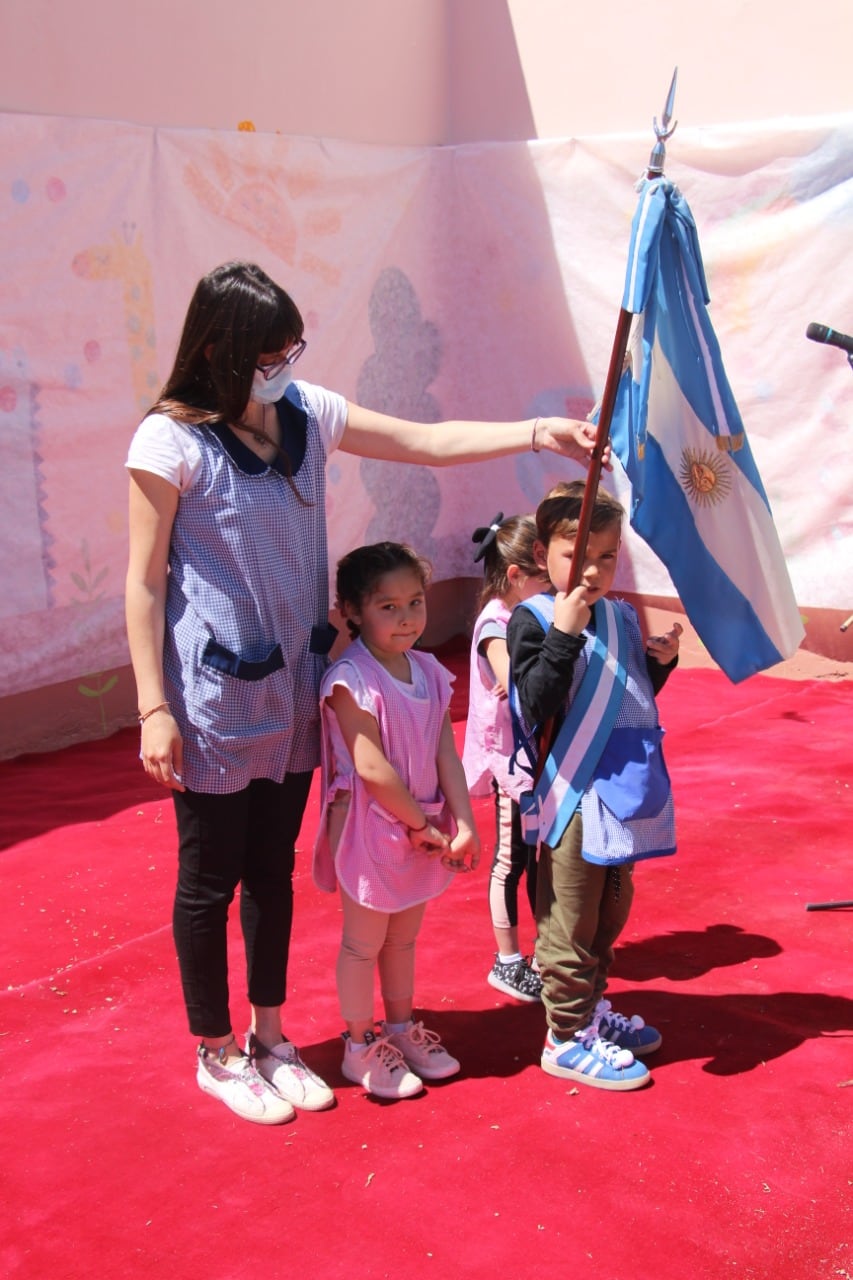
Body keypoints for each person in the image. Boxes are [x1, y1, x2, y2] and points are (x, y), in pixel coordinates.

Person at [124, 260, 602, 1125]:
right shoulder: (169, 440)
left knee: (271, 869)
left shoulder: (308, 414)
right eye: (270, 350)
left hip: (295, 686)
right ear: (225, 348)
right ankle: (216, 1049)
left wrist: (537, 432)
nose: (283, 364)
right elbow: (146, 583)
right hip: (212, 705)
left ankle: (272, 1037)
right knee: (211, 878)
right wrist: (154, 707)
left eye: (290, 347)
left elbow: (424, 439)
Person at [506, 480, 682, 1091]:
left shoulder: (623, 616)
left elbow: (624, 700)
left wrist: (657, 662)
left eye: (607, 556)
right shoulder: (531, 619)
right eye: (577, 553)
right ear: (541, 556)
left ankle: (591, 1010)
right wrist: (563, 633)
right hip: (574, 789)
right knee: (570, 916)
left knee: (610, 911)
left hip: (624, 788)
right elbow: (535, 704)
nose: (593, 568)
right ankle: (564, 1036)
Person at [313, 542, 479, 1099]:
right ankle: (359, 1045)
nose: (406, 617)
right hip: (371, 830)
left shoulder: (430, 671)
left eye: (415, 602)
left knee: (403, 939)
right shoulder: (349, 678)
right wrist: (418, 825)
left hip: (422, 829)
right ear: (353, 612)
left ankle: (403, 1030)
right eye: (388, 606)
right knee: (364, 943)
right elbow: (370, 766)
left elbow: (445, 751)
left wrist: (463, 821)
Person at [461, 512, 546, 1002]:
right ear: (516, 576)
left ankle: (542, 950)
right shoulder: (495, 621)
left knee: (538, 859)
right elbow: (512, 672)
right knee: (511, 858)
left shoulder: (525, 614)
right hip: (509, 762)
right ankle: (507, 959)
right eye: (545, 579)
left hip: (535, 755)